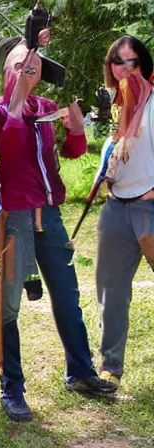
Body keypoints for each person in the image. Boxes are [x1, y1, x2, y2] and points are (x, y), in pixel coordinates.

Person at [0, 44, 118, 422]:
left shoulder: (44, 108)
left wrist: (76, 130)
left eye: (35, 67)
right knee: (9, 306)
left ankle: (81, 373)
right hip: (14, 216)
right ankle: (12, 387)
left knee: (68, 296)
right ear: (7, 71)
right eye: (21, 65)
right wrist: (13, 107)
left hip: (49, 214)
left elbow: (69, 154)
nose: (28, 71)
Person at [95, 36, 154, 387]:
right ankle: (110, 367)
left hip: (150, 209)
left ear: (145, 66)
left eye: (132, 61)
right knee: (111, 292)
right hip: (116, 208)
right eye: (119, 61)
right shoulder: (120, 109)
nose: (126, 67)